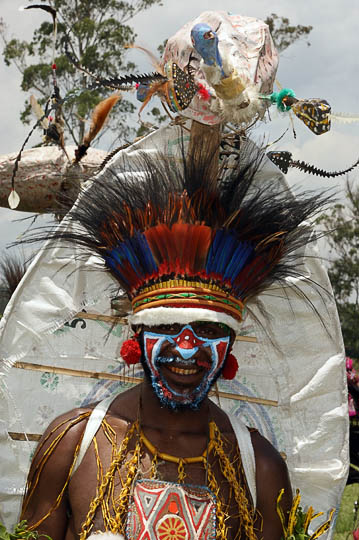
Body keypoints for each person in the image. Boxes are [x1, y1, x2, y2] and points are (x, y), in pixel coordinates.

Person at [18, 143, 332, 540]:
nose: (186, 348)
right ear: (136, 335)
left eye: (210, 331)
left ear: (231, 346)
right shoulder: (72, 446)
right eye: (167, 327)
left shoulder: (260, 468)